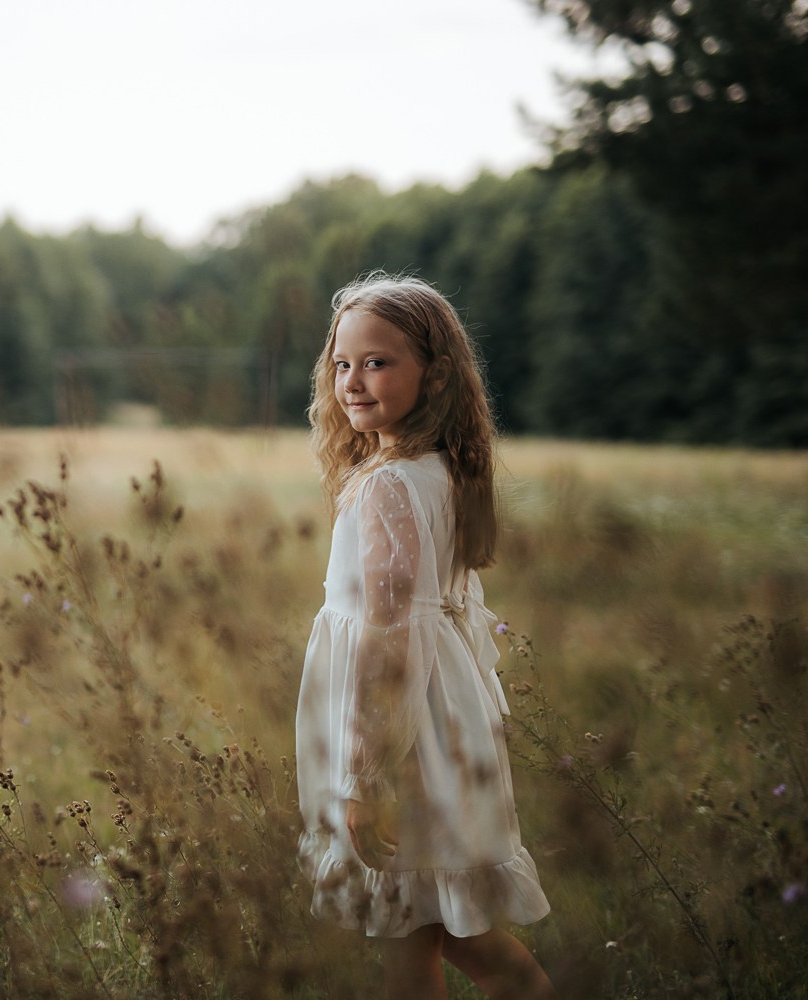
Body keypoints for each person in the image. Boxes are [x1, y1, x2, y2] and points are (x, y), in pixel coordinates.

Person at [295, 273, 555, 999]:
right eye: (342, 363)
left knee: (409, 930)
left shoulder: (388, 486)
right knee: (452, 930)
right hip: (442, 724)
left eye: (379, 362)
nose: (354, 381)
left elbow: (389, 636)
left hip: (403, 737)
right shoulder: (439, 471)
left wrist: (363, 773)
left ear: (434, 375)